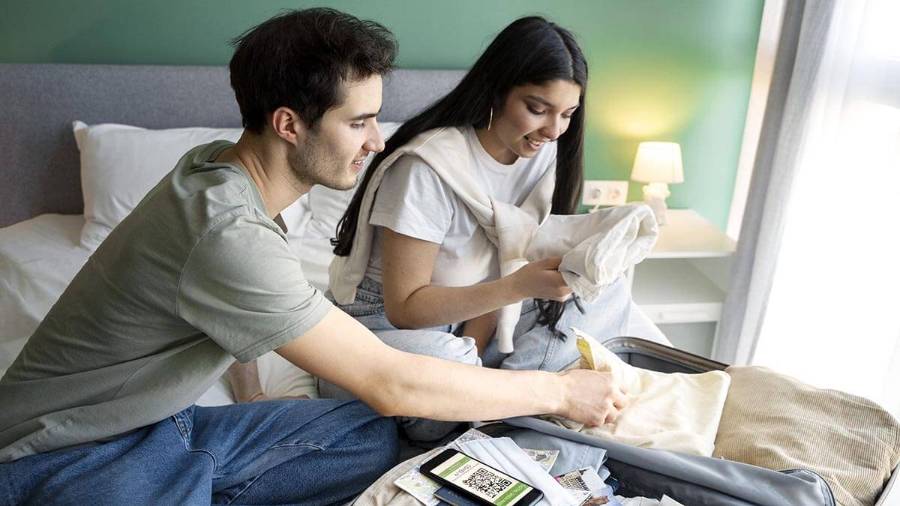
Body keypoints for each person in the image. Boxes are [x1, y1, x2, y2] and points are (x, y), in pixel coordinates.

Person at [0, 8, 626, 505]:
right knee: (391, 410)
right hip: (68, 456)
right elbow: (389, 381)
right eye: (360, 124)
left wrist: (251, 405)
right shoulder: (224, 231)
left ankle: (199, 478)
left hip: (168, 425)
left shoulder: (219, 171)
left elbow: (220, 320)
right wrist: (561, 394)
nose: (377, 142)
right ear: (289, 125)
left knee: (367, 439)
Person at [328, 16, 665, 416]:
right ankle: (531, 395)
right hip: (390, 323)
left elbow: (498, 262)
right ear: (497, 90)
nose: (554, 130)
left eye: (568, 113)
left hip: (474, 311)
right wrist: (515, 289)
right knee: (448, 363)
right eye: (537, 109)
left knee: (606, 291)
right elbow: (406, 309)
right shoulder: (427, 168)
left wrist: (481, 338)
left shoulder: (541, 156)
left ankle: (508, 399)